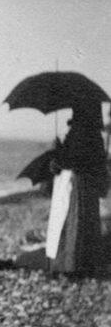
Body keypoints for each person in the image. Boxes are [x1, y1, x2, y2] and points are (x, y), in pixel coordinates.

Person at [46, 105, 109, 277]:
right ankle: (82, 265)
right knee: (83, 224)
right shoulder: (94, 136)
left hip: (77, 186)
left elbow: (74, 161)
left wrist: (59, 153)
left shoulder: (80, 134)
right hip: (84, 186)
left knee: (72, 223)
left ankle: (71, 266)